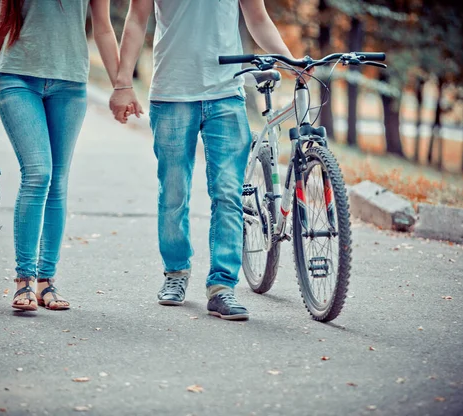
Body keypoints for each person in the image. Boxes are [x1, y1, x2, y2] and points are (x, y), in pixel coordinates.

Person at [109, 0, 311, 321]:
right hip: (171, 93)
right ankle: (176, 272)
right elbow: (136, 19)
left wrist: (288, 59)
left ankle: (222, 288)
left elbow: (257, 18)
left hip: (226, 95)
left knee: (228, 193)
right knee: (174, 192)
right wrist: (122, 83)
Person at [0, 0, 122, 311]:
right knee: (38, 173)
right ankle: (24, 279)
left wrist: (122, 85)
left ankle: (46, 281)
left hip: (70, 82)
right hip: (18, 77)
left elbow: (103, 26)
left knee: (58, 180)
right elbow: (2, 23)